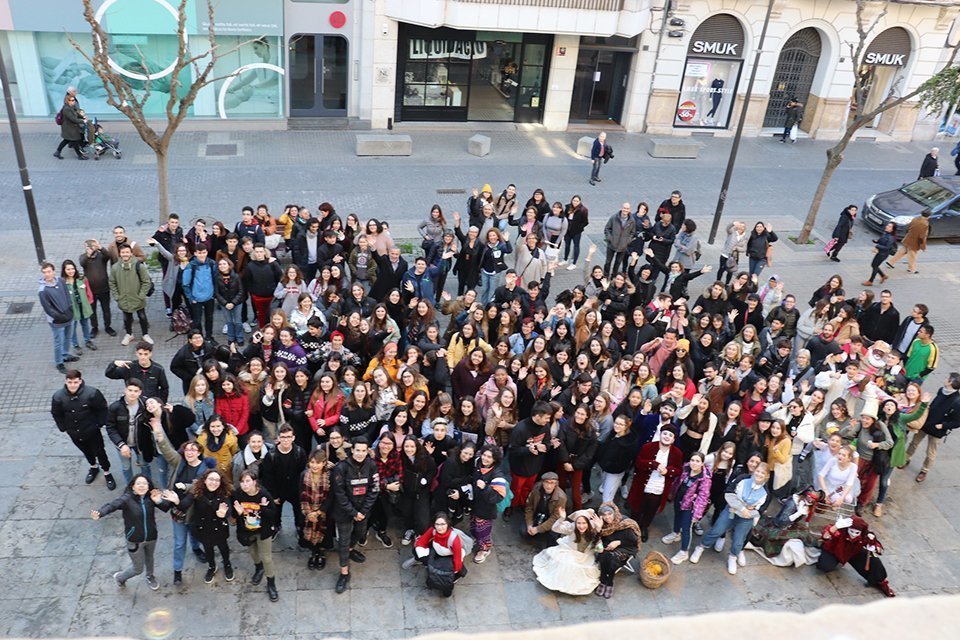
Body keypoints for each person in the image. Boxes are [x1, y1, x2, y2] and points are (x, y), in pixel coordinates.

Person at [91, 474, 170, 590]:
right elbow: (112, 505)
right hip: (135, 540)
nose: (141, 486)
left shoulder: (151, 498)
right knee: (137, 569)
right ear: (133, 487)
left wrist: (158, 501)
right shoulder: (126, 499)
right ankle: (120, 577)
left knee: (150, 558)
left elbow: (166, 508)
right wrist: (100, 513)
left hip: (151, 536)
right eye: (138, 483)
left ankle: (150, 576)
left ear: (148, 486)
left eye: (144, 483)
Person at [690, 462, 769, 574]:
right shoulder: (743, 479)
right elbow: (729, 493)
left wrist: (748, 511)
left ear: (766, 476)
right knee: (717, 530)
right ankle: (701, 547)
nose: (759, 474)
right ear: (754, 471)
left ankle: (733, 557)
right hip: (731, 510)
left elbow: (760, 509)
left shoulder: (765, 492)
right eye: (758, 471)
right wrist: (743, 507)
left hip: (746, 517)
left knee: (738, 540)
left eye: (762, 473)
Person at [51, 369, 116, 490]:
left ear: (80, 381)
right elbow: (56, 413)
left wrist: (99, 424)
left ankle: (107, 472)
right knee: (86, 451)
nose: (72, 385)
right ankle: (93, 467)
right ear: (66, 381)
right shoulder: (58, 397)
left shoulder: (92, 393)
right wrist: (63, 428)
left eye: (75, 382)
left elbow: (102, 409)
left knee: (100, 452)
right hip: (74, 432)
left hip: (92, 431)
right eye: (70, 382)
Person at [330, 437, 379, 593]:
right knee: (343, 541)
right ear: (352, 450)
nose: (360, 454)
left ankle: (350, 549)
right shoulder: (341, 467)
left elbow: (374, 489)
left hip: (363, 511)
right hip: (344, 512)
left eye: (363, 451)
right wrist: (353, 512)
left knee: (360, 533)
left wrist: (362, 511)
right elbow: (340, 494)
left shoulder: (372, 465)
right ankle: (344, 573)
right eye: (357, 450)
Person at [817, 515, 895, 597]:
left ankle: (880, 582)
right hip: (835, 552)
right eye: (851, 531)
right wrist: (835, 527)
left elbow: (878, 548)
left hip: (853, 552)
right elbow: (825, 536)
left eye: (857, 533)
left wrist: (874, 547)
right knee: (824, 566)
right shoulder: (840, 530)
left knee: (874, 560)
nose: (853, 535)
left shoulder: (865, 536)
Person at [232, 470, 280, 601]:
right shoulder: (238, 494)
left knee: (267, 558)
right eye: (242, 482)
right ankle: (259, 568)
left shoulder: (263, 495)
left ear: (254, 482)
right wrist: (238, 513)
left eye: (248, 481)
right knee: (253, 553)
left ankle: (271, 583)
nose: (245, 485)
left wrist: (262, 508)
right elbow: (233, 514)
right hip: (247, 531)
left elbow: (273, 514)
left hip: (263, 530)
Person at [532, 507, 603, 595]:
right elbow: (555, 528)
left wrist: (598, 530)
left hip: (585, 556)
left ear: (588, 523)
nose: (581, 526)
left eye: (584, 523)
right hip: (570, 551)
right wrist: (561, 518)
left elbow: (600, 550)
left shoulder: (593, 528)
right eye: (579, 523)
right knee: (566, 564)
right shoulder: (571, 527)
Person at [905, 372, 960, 483]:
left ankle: (924, 470)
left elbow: (957, 422)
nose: (945, 379)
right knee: (914, 443)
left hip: (938, 430)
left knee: (931, 452)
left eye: (947, 378)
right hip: (926, 423)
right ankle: (906, 458)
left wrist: (943, 425)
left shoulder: (957, 402)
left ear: (950, 382)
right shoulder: (941, 390)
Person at [184, 469, 235, 584]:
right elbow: (185, 504)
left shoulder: (224, 493)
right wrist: (176, 501)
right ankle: (212, 567)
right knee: (208, 548)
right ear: (205, 481)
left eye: (217, 480)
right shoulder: (197, 492)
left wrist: (224, 514)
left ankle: (227, 564)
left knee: (223, 547)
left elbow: (228, 508)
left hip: (219, 527)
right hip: (203, 527)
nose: (214, 482)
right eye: (211, 479)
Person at [661, 451, 712, 564]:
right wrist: (671, 493)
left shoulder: (704, 479)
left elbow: (703, 497)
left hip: (690, 506)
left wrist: (696, 514)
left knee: (686, 528)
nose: (694, 463)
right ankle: (675, 533)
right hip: (679, 500)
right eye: (692, 460)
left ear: (702, 463)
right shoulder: (685, 469)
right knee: (677, 518)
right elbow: (677, 482)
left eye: (697, 461)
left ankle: (684, 552)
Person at [410, 513, 471, 597]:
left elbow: (457, 559)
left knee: (448, 580)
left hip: (450, 557)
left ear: (448, 524)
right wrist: (424, 558)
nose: (439, 527)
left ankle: (449, 587)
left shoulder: (454, 539)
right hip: (438, 551)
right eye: (437, 524)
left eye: (442, 524)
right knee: (417, 553)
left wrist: (453, 572)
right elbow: (421, 542)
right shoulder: (433, 530)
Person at [38, 262, 79, 373]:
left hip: (68, 315)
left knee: (68, 337)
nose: (47, 274)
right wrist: (59, 316)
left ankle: (65, 354)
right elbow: (48, 308)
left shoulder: (61, 281)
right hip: (56, 320)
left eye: (49, 271)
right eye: (45, 272)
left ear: (54, 271)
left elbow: (67, 295)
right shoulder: (43, 290)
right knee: (58, 341)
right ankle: (59, 362)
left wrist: (70, 309)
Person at [109, 244, 153, 346]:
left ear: (131, 253)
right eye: (123, 252)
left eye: (127, 252)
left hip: (138, 298)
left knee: (142, 317)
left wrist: (141, 295)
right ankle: (129, 334)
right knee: (126, 318)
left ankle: (145, 334)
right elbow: (112, 282)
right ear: (120, 254)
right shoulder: (115, 268)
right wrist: (117, 297)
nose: (125, 254)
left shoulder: (138, 266)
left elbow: (146, 282)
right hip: (124, 299)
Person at [594, 502, 640, 598]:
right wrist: (598, 530)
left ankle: (608, 582)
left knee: (612, 559)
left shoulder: (626, 524)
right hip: (608, 546)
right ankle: (604, 580)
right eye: (604, 515)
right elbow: (597, 540)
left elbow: (634, 542)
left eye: (609, 514)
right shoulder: (602, 524)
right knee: (604, 555)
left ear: (614, 513)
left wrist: (619, 542)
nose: (607, 517)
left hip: (626, 546)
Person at [300, 449, 333, 570]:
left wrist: (319, 512)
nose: (315, 465)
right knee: (309, 531)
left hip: (324, 511)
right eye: (312, 462)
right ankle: (314, 552)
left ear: (324, 463)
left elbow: (331, 496)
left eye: (318, 463)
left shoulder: (329, 475)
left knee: (323, 532)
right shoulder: (304, 475)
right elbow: (301, 494)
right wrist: (309, 513)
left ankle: (322, 553)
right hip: (308, 510)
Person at [80, 239, 116, 338]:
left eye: (91, 247)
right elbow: (82, 263)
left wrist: (100, 247)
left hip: (104, 288)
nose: (89, 249)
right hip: (91, 291)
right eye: (87, 247)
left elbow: (109, 256)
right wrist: (88, 255)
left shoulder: (101, 256)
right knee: (92, 311)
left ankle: (108, 326)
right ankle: (94, 327)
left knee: (106, 310)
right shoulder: (83, 257)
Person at [522, 472, 567, 543]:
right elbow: (529, 507)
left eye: (552, 483)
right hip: (538, 514)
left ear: (556, 484)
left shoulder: (561, 497)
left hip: (550, 518)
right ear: (542, 483)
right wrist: (529, 524)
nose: (549, 486)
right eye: (546, 482)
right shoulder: (536, 489)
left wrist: (538, 529)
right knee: (524, 532)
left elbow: (555, 517)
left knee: (552, 537)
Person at [886, 210, 929, 275]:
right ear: (928, 216)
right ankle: (912, 269)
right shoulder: (925, 224)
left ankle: (891, 262)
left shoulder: (915, 219)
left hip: (908, 238)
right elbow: (923, 236)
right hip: (914, 242)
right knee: (912, 255)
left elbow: (908, 227)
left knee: (902, 251)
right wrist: (923, 246)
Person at [603, 203, 637, 277]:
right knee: (608, 261)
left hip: (623, 246)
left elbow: (632, 233)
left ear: (629, 210)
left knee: (618, 262)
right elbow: (607, 228)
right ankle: (605, 276)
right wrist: (610, 238)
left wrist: (627, 241)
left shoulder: (632, 221)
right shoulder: (614, 217)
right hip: (612, 244)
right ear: (621, 208)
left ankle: (614, 276)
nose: (625, 210)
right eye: (624, 208)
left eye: (627, 208)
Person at [54, 94, 88, 159]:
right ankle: (79, 155)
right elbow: (73, 119)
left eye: (74, 100)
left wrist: (82, 117)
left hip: (70, 128)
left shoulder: (71, 107)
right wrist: (83, 121)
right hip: (70, 128)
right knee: (75, 141)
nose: (73, 101)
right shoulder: (66, 109)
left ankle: (57, 152)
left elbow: (76, 114)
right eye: (72, 100)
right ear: (67, 101)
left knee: (66, 140)